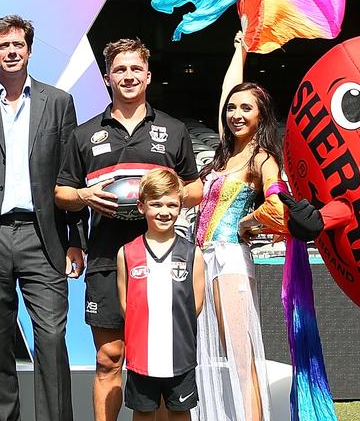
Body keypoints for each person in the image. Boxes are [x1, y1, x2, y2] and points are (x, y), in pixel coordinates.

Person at [55, 38, 199, 421]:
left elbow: (196, 187)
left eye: (136, 69)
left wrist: (162, 199)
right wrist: (85, 196)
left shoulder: (171, 129)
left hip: (164, 258)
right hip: (105, 255)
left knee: (163, 360)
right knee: (109, 358)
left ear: (148, 76)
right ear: (107, 78)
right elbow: (62, 191)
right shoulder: (86, 134)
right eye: (120, 70)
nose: (128, 76)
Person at [0, 15, 82, 421]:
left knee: (51, 338)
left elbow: (70, 174)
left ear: (29, 49)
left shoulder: (58, 101)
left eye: (18, 45)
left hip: (43, 237)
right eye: (2, 46)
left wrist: (75, 238)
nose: (11, 52)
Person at [185, 33, 281, 421]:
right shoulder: (226, 155)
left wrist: (246, 223)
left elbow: (277, 204)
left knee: (240, 355)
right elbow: (227, 93)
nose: (236, 114)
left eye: (247, 108)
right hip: (199, 259)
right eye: (232, 109)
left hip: (229, 261)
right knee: (200, 352)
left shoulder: (261, 159)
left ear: (261, 116)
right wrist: (239, 49)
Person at [116, 168, 205, 421]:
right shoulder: (127, 253)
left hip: (180, 353)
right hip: (141, 354)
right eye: (155, 204)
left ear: (180, 207)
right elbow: (126, 304)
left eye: (171, 205)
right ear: (141, 206)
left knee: (179, 412)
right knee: (143, 412)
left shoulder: (192, 254)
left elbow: (195, 305)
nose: (164, 212)